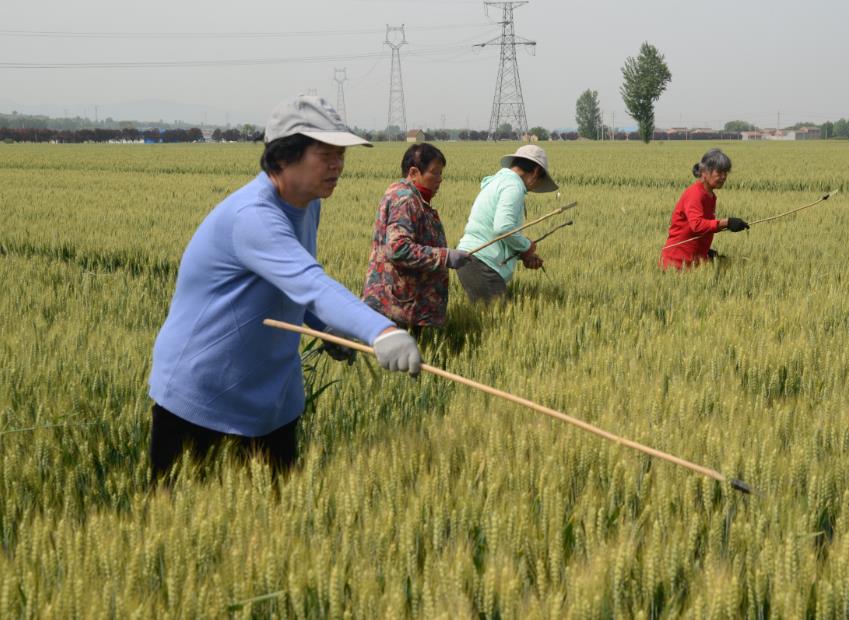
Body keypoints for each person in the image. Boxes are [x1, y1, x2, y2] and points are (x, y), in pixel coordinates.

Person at [147, 94, 422, 481]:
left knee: (276, 513)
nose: (338, 164)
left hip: (271, 399)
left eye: (341, 154)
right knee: (184, 515)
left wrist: (327, 327)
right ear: (282, 157)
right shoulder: (253, 217)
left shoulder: (308, 205)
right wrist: (382, 330)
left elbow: (291, 284)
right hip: (204, 398)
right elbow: (310, 282)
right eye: (325, 154)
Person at [361, 143, 468, 333]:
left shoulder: (412, 198)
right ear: (413, 172)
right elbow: (398, 249)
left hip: (405, 304)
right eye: (435, 173)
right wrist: (445, 257)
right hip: (398, 307)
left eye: (441, 173)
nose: (440, 179)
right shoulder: (405, 199)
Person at [455, 144, 558, 302]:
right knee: (495, 315)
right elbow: (503, 228)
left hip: (472, 259)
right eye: (540, 180)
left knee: (488, 315)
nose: (535, 187)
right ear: (536, 171)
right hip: (483, 262)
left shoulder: (499, 181)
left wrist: (524, 254)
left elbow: (497, 233)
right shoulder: (513, 186)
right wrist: (526, 246)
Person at [660, 148, 750, 270]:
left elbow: (706, 226)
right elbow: (697, 225)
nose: (724, 177)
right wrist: (726, 223)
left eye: (726, 173)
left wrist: (706, 251)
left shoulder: (710, 195)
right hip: (677, 263)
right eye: (720, 172)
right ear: (704, 172)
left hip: (694, 261)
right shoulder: (695, 194)